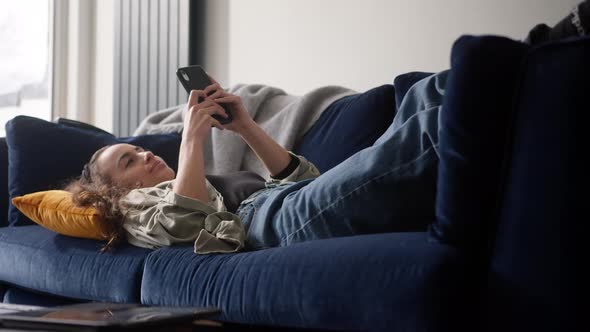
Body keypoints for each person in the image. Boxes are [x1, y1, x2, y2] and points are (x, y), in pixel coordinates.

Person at [67, 3, 589, 254]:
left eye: (136, 148)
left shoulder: (195, 177)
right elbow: (185, 224)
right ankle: (546, 75)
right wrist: (192, 139)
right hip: (265, 226)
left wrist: (246, 127)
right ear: (114, 192)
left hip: (282, 203)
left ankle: (545, 47)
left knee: (425, 94)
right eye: (127, 162)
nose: (143, 156)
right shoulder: (134, 214)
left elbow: (304, 177)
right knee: (424, 133)